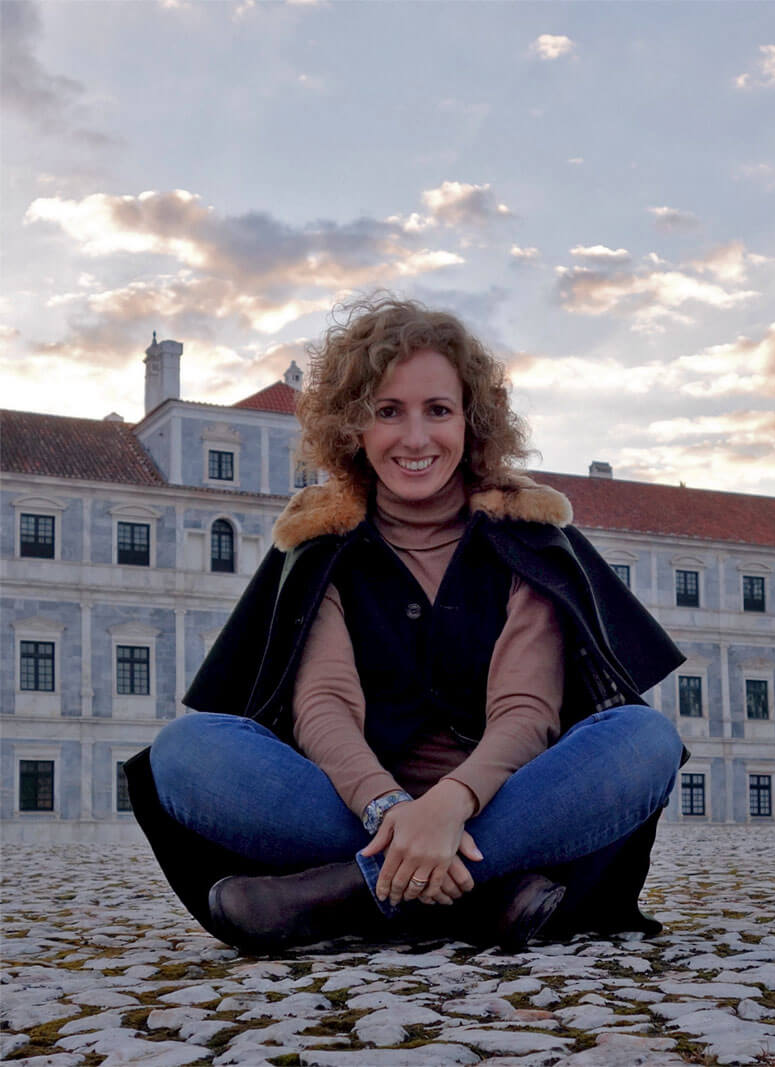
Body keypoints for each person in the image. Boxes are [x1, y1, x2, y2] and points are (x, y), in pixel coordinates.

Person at [124, 295, 687, 954]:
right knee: (185, 752)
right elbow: (323, 705)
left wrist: (449, 805)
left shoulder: (525, 538)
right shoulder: (320, 544)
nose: (416, 438)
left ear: (471, 421)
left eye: (438, 410)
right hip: (348, 806)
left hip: (510, 800)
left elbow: (526, 709)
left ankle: (348, 891)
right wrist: (394, 810)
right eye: (388, 411)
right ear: (352, 426)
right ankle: (485, 889)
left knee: (644, 738)